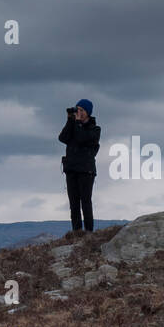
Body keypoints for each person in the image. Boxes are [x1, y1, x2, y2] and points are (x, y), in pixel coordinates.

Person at [59, 98, 100, 233]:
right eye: (77, 109)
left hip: (86, 171)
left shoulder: (95, 129)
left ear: (88, 112)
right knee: (74, 204)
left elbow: (82, 138)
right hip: (71, 169)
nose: (79, 112)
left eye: (81, 110)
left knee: (85, 202)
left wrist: (77, 123)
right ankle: (77, 232)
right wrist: (70, 120)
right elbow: (63, 138)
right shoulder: (73, 125)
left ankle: (89, 232)